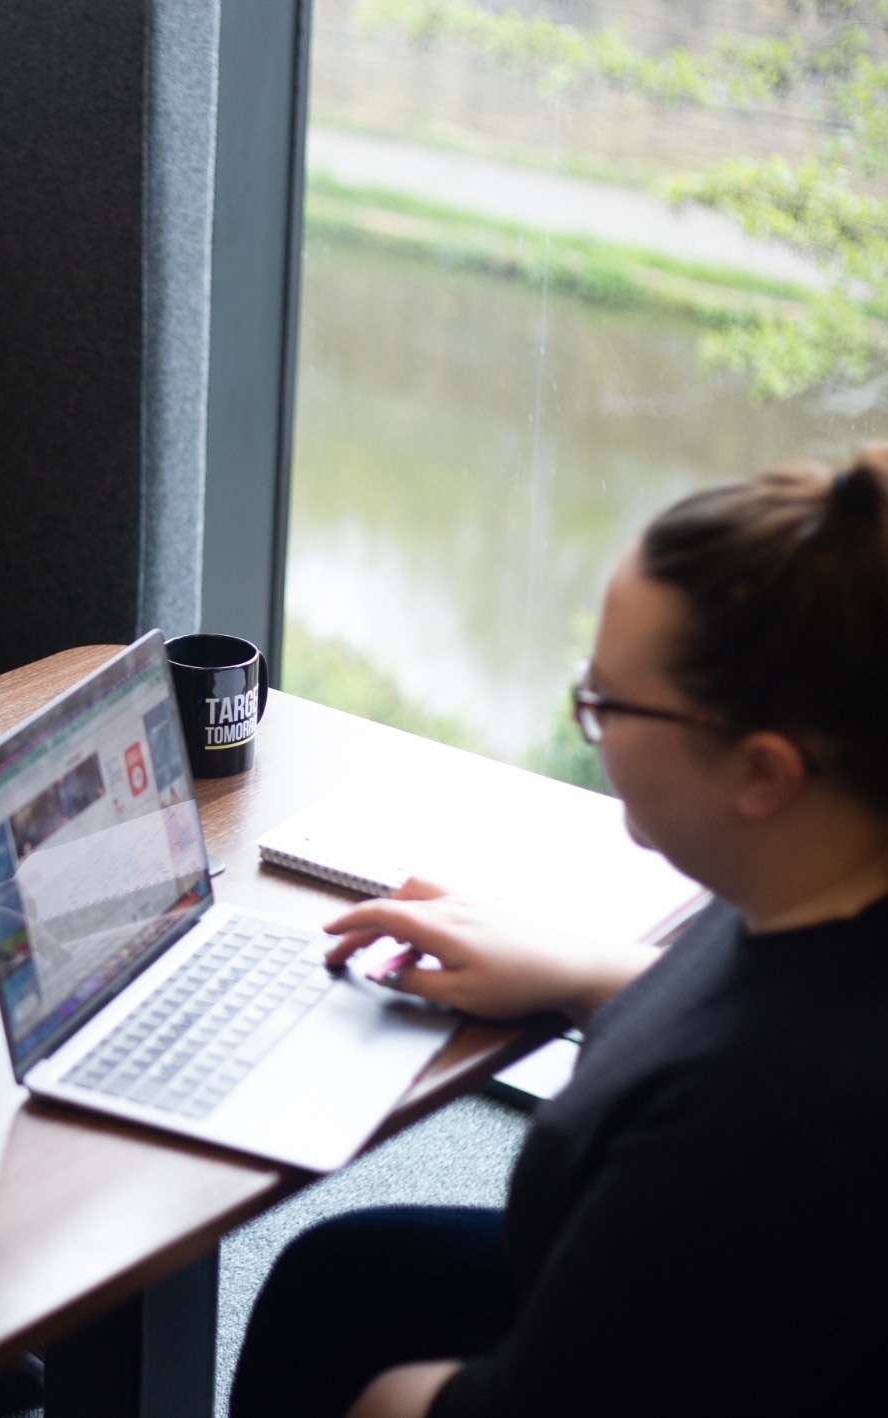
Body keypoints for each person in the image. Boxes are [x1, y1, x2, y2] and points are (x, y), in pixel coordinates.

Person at [230, 454, 888, 1416]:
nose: (590, 726)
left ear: (764, 775)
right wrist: (578, 968)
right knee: (344, 1276)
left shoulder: (749, 1129)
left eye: (608, 704)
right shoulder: (821, 880)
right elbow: (762, 997)